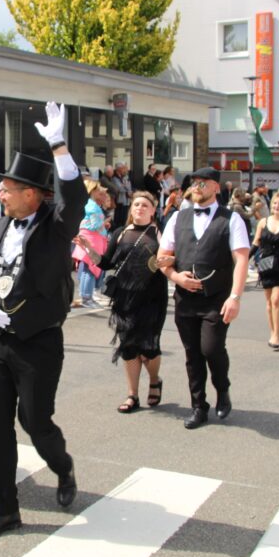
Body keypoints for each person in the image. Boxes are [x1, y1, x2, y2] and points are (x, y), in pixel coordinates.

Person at [0, 102, 84, 540]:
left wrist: (58, 145)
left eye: (8, 189)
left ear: (32, 194)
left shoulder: (55, 225)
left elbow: (74, 197)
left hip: (39, 343)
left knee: (35, 422)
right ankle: (6, 510)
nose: (0, 195)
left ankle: (63, 466)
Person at [157, 167, 250, 428]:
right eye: (194, 183)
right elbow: (162, 258)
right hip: (185, 299)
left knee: (211, 348)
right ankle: (198, 406)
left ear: (216, 187)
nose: (197, 187)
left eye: (203, 183)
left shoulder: (231, 219)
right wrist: (176, 277)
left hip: (217, 298)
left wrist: (235, 297)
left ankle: (222, 388)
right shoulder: (178, 218)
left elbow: (241, 259)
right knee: (192, 354)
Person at [77, 191, 169, 413]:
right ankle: (132, 395)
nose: (140, 208)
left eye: (145, 205)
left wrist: (169, 261)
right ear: (131, 209)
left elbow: (173, 262)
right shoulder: (121, 233)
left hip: (152, 299)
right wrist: (88, 248)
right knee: (128, 346)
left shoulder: (160, 233)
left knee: (149, 347)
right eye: (136, 204)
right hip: (125, 298)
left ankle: (154, 379)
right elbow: (106, 263)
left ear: (153, 210)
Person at [251, 193, 279, 349]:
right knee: (269, 302)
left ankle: (277, 335)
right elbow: (256, 243)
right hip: (266, 265)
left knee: (276, 300)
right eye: (274, 203)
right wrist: (244, 259)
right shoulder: (263, 222)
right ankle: (272, 331)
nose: (277, 206)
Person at [72, 179, 110, 308]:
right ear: (92, 191)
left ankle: (87, 296)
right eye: (98, 190)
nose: (100, 192)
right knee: (90, 268)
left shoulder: (90, 204)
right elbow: (94, 225)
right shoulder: (92, 206)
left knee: (88, 268)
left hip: (91, 238)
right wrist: (104, 222)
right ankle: (87, 297)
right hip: (91, 240)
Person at [111, 162, 132, 229]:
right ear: (119, 169)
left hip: (126, 201)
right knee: (118, 220)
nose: (125, 170)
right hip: (119, 201)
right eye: (124, 168)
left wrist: (125, 187)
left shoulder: (125, 177)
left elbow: (129, 186)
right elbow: (120, 188)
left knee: (124, 219)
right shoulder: (114, 178)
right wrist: (125, 187)